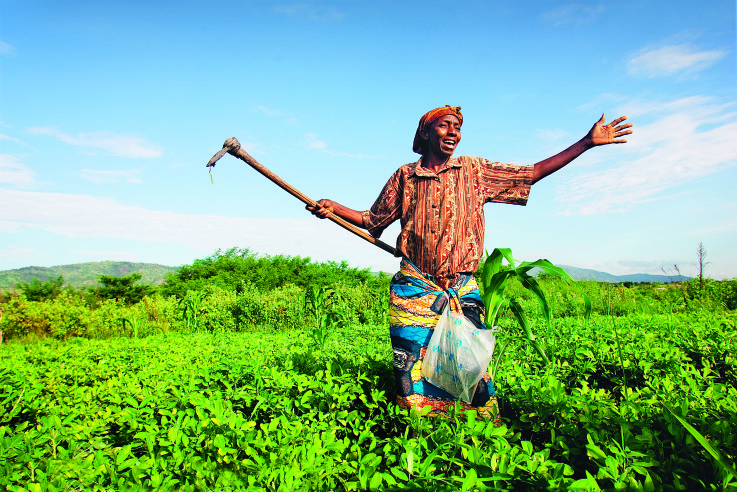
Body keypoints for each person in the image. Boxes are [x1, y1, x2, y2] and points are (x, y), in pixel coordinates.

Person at [307, 105, 632, 422]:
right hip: (415, 289)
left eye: (458, 127)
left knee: (469, 366)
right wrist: (333, 208)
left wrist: (586, 143)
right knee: (410, 370)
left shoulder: (474, 171)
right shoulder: (406, 176)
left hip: (462, 290)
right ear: (426, 132)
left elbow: (531, 174)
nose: (453, 133)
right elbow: (371, 218)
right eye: (445, 125)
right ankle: (418, 437)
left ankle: (474, 434)